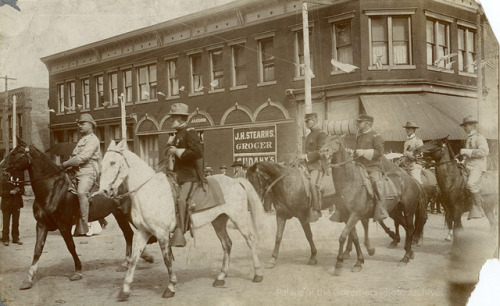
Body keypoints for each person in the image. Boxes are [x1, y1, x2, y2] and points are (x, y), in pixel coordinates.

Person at [331, 114, 388, 223]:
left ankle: (381, 209)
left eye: (359, 122)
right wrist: (353, 153)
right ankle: (341, 209)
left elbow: (380, 152)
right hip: (359, 166)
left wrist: (363, 152)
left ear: (367, 123)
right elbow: (357, 152)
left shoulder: (376, 136)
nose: (357, 124)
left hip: (373, 167)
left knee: (377, 183)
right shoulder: (359, 136)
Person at [166, 103, 204, 247]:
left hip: (190, 176)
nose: (170, 120)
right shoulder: (178, 134)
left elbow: (197, 152)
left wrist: (177, 152)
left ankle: (180, 231)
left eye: (172, 118)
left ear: (180, 118)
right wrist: (170, 148)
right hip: (177, 175)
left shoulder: (190, 132)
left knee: (181, 200)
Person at [62, 114, 101, 237]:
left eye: (83, 123)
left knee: (81, 192)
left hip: (88, 171)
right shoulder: (82, 139)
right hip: (76, 170)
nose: (80, 126)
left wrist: (65, 164)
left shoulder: (93, 140)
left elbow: (83, 157)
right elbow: (75, 156)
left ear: (91, 125)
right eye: (79, 123)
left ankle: (85, 224)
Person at [298, 112, 327, 222]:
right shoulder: (309, 135)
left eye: (308, 121)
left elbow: (321, 152)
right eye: (305, 121)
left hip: (317, 166)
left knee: (313, 185)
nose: (306, 123)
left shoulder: (321, 134)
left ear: (314, 120)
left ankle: (316, 210)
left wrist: (306, 156)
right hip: (306, 166)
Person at [459, 116, 489, 219]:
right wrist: (462, 160)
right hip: (468, 165)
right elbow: (467, 155)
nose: (465, 128)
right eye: (464, 126)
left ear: (472, 125)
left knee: (471, 184)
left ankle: (479, 208)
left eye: (466, 125)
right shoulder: (468, 138)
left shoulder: (479, 137)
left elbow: (484, 152)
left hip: (477, 166)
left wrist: (467, 152)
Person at [1, 169, 25, 246]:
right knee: (6, 222)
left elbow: (22, 189)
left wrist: (19, 190)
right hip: (6, 203)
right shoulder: (2, 177)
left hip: (16, 203)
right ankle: (5, 238)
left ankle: (15, 238)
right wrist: (9, 192)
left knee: (16, 222)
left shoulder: (19, 176)